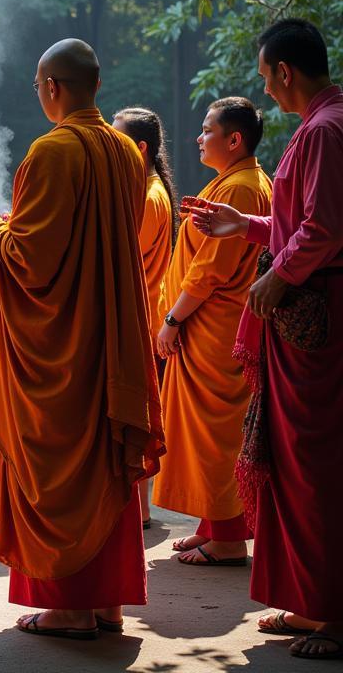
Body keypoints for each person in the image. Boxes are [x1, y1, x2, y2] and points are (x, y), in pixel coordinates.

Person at [0, 38, 164, 641]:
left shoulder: (53, 150)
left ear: (52, 86)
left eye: (37, 86)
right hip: (109, 337)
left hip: (60, 344)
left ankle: (70, 608)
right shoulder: (126, 152)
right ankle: (106, 603)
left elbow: (33, 261)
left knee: (57, 463)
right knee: (102, 459)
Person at [183, 19, 343, 660]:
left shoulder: (327, 128)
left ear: (283, 71)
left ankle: (332, 612)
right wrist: (245, 225)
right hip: (305, 316)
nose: (266, 87)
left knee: (314, 466)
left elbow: (323, 229)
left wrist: (277, 275)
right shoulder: (320, 125)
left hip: (316, 319)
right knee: (295, 463)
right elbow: (297, 219)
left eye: (265, 74)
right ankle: (311, 602)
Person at [151, 98, 272, 567]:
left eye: (207, 130)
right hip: (211, 325)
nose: (198, 138)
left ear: (234, 140)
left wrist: (172, 320)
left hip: (213, 327)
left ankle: (227, 539)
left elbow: (210, 272)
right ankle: (213, 526)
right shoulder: (237, 181)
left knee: (215, 435)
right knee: (207, 433)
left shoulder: (242, 188)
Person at [112, 107, 178, 530]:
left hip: (141, 319)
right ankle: (140, 510)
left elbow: (119, 255)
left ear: (139, 148)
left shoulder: (149, 196)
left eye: (116, 142)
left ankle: (139, 512)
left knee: (131, 417)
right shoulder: (144, 189)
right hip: (141, 316)